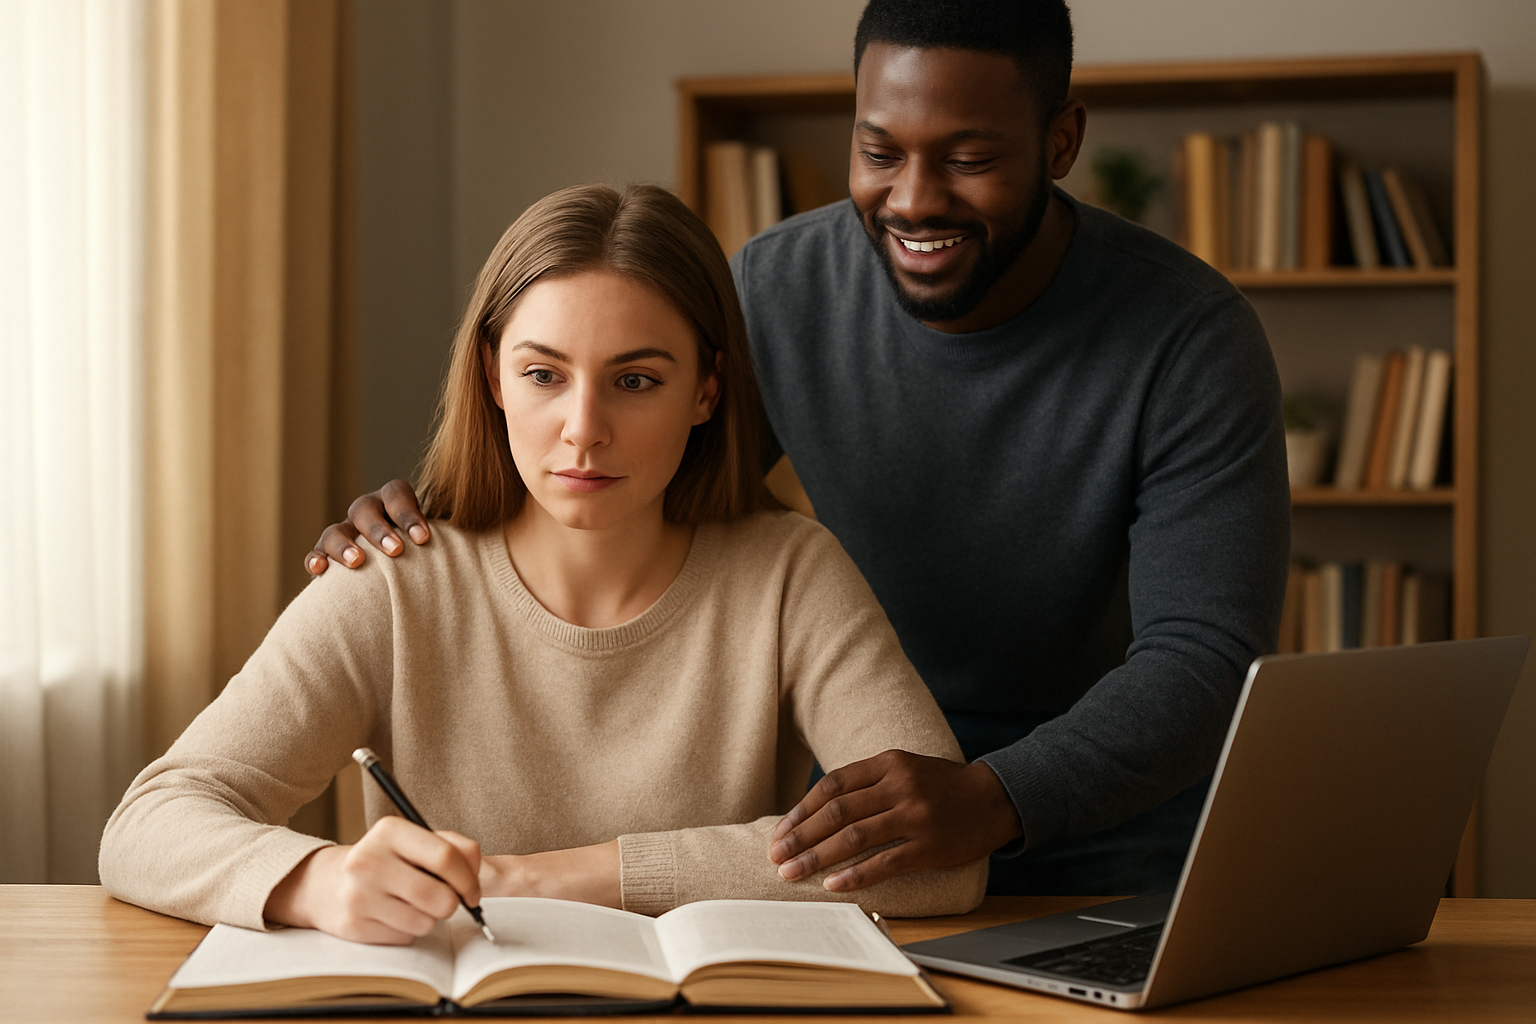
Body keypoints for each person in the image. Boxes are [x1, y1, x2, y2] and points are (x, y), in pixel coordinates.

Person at [308, 0, 1290, 898]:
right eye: (880, 150)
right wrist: (437, 505)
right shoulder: (778, 288)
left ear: (1061, 140)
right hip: (869, 788)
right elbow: (631, 462)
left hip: (1114, 834)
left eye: (968, 157)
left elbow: (1202, 660)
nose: (914, 199)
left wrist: (989, 797)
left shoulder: (1189, 337)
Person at [99, 183, 986, 945]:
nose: (584, 428)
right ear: (492, 376)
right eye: (543, 374)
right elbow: (147, 826)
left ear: (707, 391)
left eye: (635, 380)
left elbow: (938, 868)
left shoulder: (792, 574)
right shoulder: (397, 581)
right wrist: (317, 882)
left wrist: (553, 879)